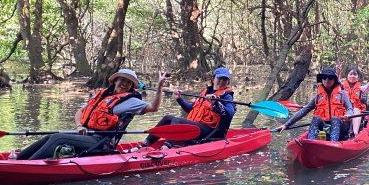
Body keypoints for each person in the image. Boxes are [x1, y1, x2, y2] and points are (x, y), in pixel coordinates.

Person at [16, 69, 167, 160]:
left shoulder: (130, 101)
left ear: (131, 86)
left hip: (101, 143)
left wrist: (159, 86)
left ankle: (27, 165)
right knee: (52, 136)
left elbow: (154, 108)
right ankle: (19, 159)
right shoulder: (101, 95)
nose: (124, 84)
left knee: (58, 138)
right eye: (122, 80)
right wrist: (79, 125)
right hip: (86, 135)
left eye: (128, 83)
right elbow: (80, 112)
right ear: (115, 81)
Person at [143, 66, 236, 148]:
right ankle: (145, 143)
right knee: (167, 118)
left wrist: (216, 103)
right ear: (213, 78)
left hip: (210, 132)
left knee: (178, 121)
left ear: (228, 81)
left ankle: (166, 147)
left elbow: (230, 113)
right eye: (219, 78)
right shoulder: (205, 92)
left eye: (225, 79)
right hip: (196, 127)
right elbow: (191, 109)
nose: (222, 81)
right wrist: (179, 99)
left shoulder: (227, 96)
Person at [273, 67, 354, 141]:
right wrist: (287, 125)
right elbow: (304, 111)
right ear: (321, 79)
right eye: (324, 77)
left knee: (335, 119)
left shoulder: (342, 94)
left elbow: (350, 108)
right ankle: (310, 142)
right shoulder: (318, 97)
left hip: (341, 125)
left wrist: (348, 114)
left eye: (330, 77)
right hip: (324, 126)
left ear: (334, 80)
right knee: (316, 118)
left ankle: (333, 144)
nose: (327, 80)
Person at [338, 63, 369, 136]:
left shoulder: (360, 87)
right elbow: (336, 82)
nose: (352, 76)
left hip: (356, 110)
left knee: (356, 110)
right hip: (344, 109)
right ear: (347, 76)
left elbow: (366, 88)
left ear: (358, 77)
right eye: (351, 74)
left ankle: (355, 133)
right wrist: (338, 72)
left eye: (355, 74)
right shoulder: (342, 86)